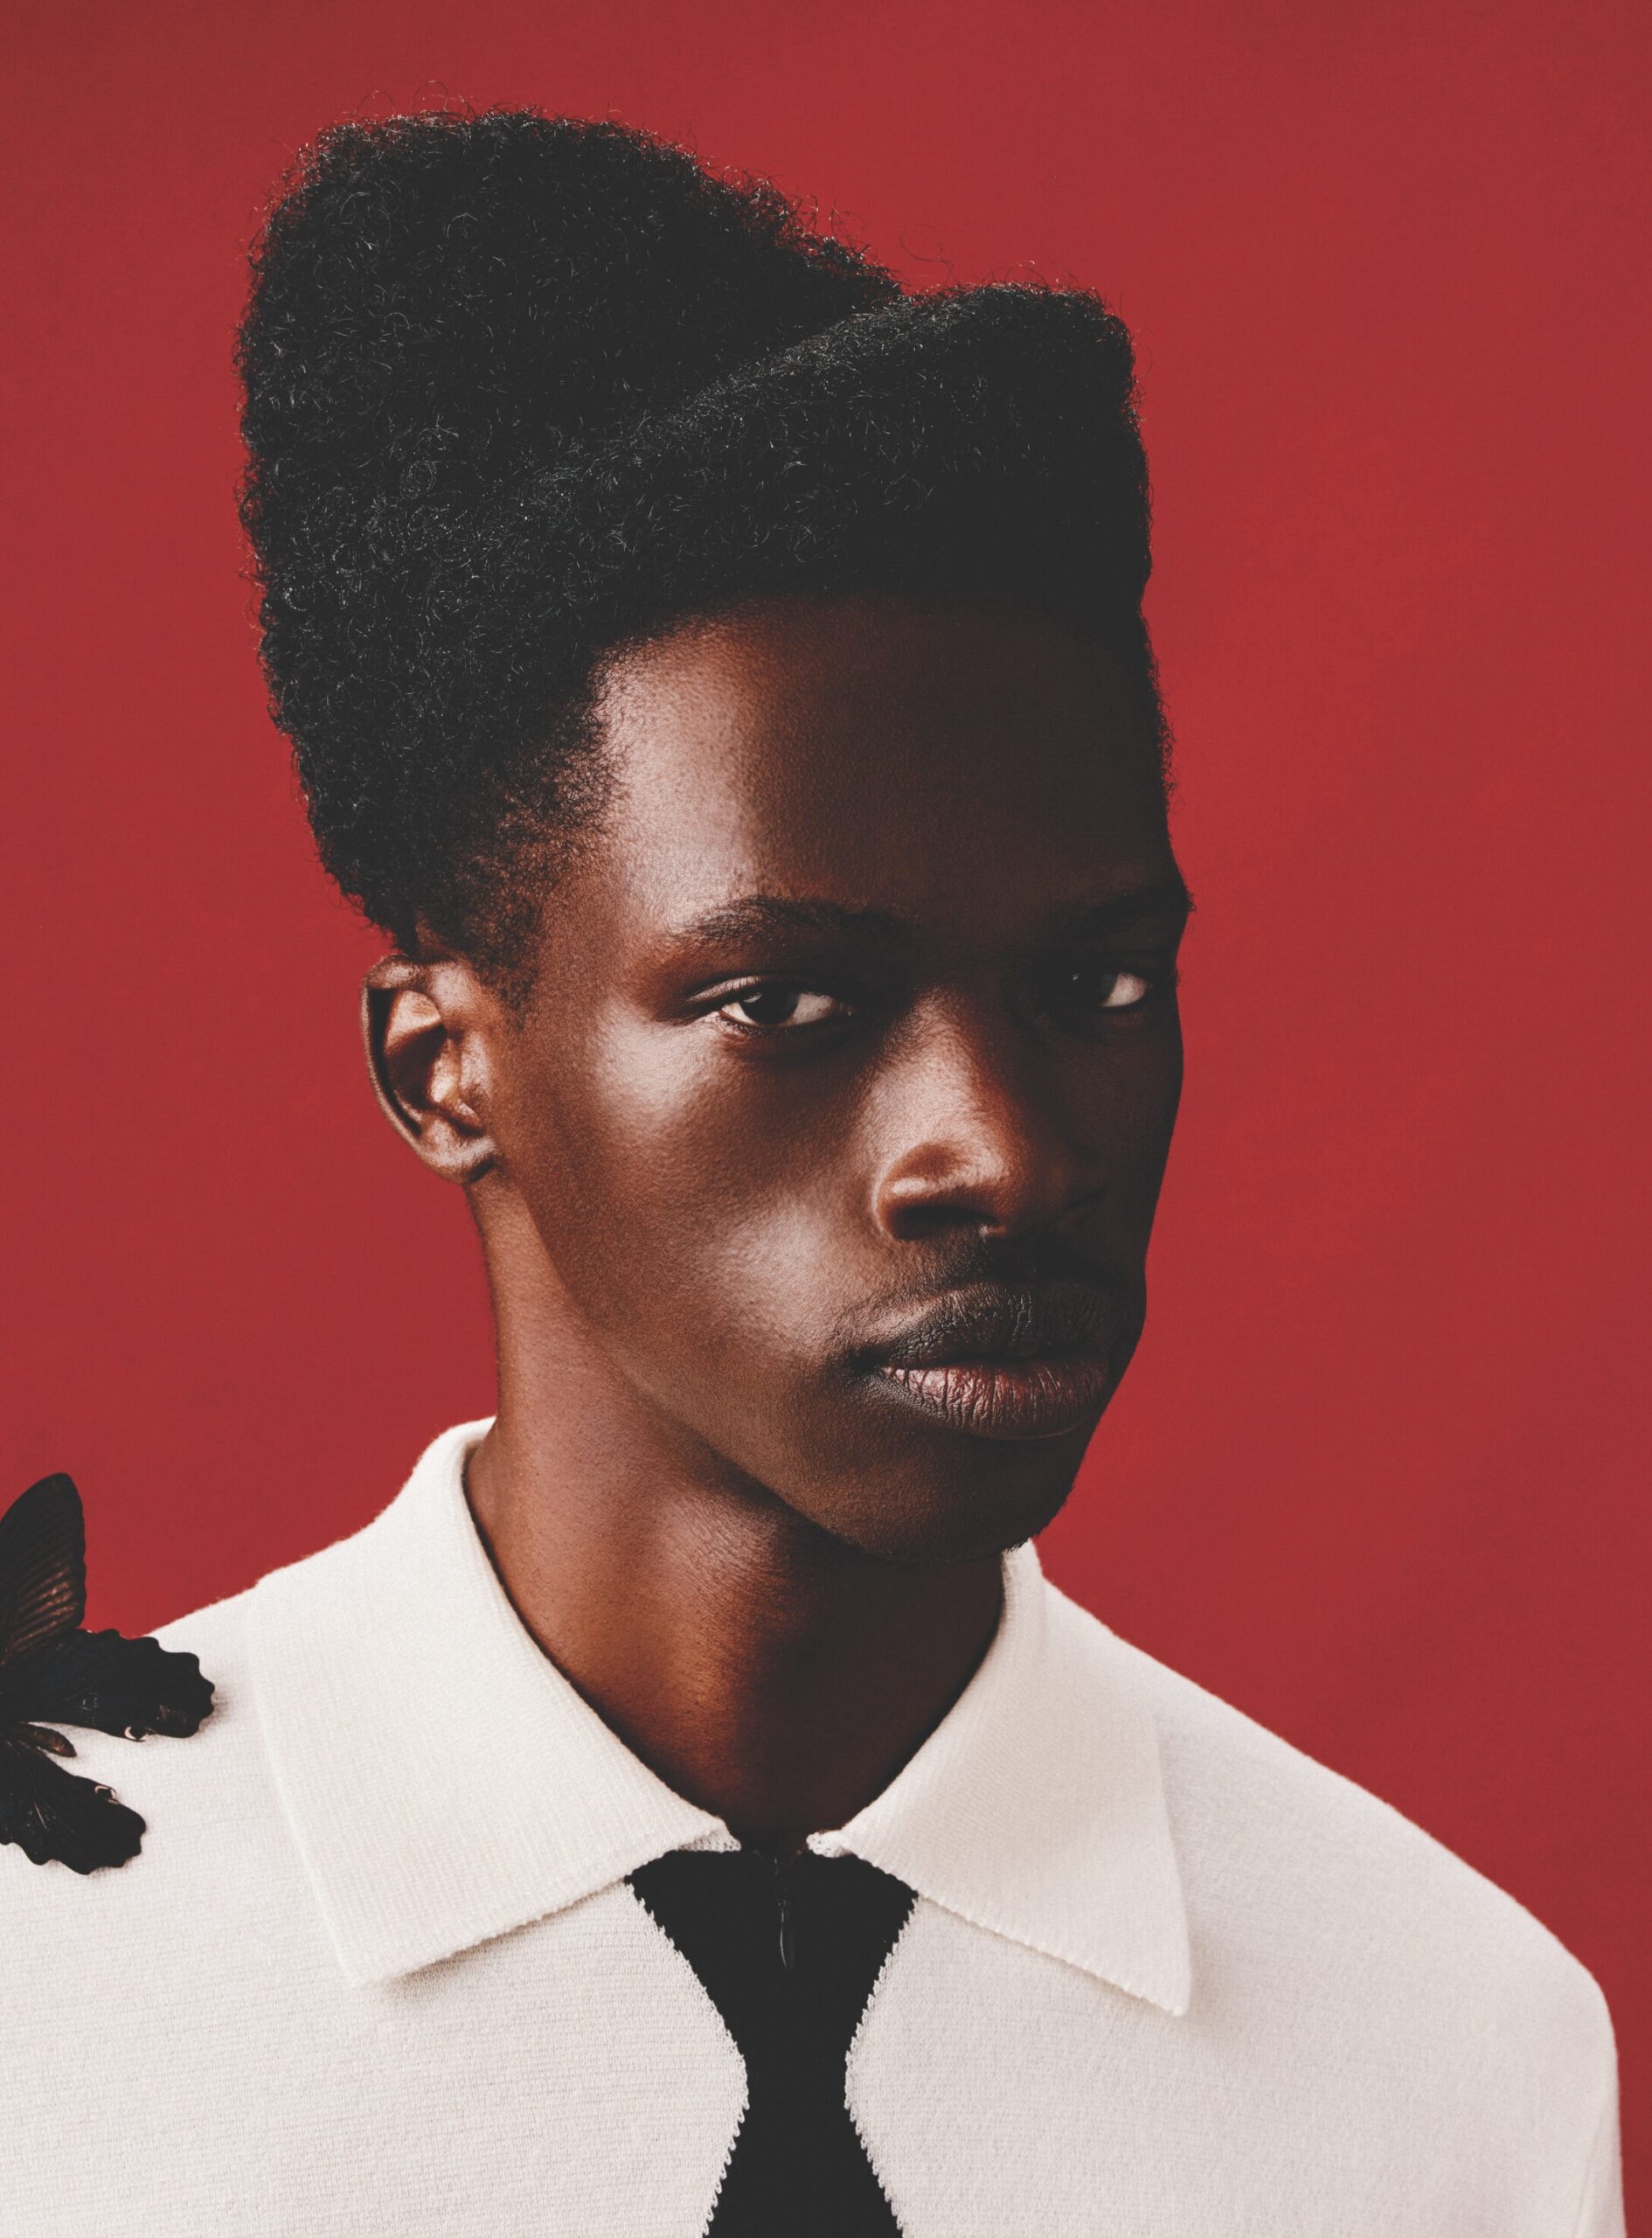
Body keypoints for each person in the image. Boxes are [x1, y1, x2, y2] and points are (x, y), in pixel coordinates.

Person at [0, 108, 1623, 2235]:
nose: (1004, 1148)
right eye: (789, 1001)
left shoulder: (1450, 2043)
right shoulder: (49, 1988)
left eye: (1097, 982)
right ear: (444, 1066)